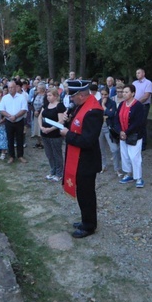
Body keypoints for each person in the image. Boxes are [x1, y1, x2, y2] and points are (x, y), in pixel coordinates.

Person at [57, 80, 103, 238]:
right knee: (83, 193)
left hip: (87, 161)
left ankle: (89, 225)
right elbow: (78, 126)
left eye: (73, 96)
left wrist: (67, 134)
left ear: (82, 95)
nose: (71, 99)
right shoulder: (81, 106)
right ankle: (85, 220)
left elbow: (87, 140)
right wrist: (67, 122)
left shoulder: (94, 111)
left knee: (87, 194)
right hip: (79, 159)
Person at [116, 84, 147, 188]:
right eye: (123, 92)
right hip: (122, 134)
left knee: (134, 156)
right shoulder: (121, 104)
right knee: (124, 155)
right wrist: (120, 131)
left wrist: (127, 132)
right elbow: (117, 119)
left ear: (133, 93)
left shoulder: (138, 106)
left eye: (126, 92)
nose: (124, 94)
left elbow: (138, 122)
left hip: (134, 135)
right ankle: (128, 173)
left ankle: (138, 177)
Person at [38, 86, 67, 181]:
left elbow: (61, 121)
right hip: (44, 133)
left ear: (55, 96)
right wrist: (41, 127)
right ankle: (52, 170)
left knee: (57, 154)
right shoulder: (45, 105)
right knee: (49, 154)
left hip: (55, 135)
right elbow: (40, 117)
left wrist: (50, 129)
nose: (48, 97)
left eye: (50, 95)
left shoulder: (59, 106)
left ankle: (59, 173)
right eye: (47, 95)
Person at [1, 80, 29, 164]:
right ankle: (11, 156)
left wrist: (15, 116)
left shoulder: (21, 97)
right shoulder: (5, 98)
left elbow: (24, 109)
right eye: (9, 87)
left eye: (12, 87)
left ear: (15, 87)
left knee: (20, 138)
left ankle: (20, 156)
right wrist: (10, 116)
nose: (10, 89)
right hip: (9, 121)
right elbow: (1, 110)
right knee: (10, 139)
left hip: (19, 121)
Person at [98, 87, 122, 176]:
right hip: (99, 127)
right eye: (102, 94)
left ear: (108, 94)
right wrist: (106, 112)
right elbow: (96, 115)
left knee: (114, 149)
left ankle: (117, 168)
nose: (104, 96)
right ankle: (103, 165)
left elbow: (112, 114)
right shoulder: (97, 102)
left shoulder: (112, 103)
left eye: (105, 94)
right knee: (101, 148)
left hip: (109, 128)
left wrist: (104, 106)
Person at [132, 68, 152, 150]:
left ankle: (143, 144)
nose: (137, 74)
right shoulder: (134, 83)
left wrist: (135, 103)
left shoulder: (148, 83)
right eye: (136, 73)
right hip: (134, 105)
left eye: (139, 73)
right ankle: (135, 140)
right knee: (134, 122)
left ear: (143, 73)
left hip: (143, 106)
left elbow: (146, 96)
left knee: (142, 124)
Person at [31, 82, 46, 148]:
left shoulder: (45, 96)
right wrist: (34, 111)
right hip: (35, 114)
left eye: (38, 88)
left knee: (41, 128)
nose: (37, 89)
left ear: (42, 89)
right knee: (36, 128)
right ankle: (38, 142)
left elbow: (45, 105)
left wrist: (39, 111)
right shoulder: (35, 95)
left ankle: (43, 143)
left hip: (42, 115)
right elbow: (32, 103)